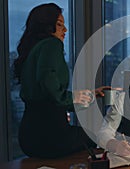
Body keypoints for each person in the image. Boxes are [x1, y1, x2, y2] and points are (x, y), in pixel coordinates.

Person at [14, 3, 106, 158]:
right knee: (100, 136)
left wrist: (90, 95)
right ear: (46, 26)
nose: (65, 30)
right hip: (51, 135)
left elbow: (49, 96)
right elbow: (51, 89)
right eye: (59, 25)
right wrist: (74, 97)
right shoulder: (52, 44)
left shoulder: (31, 51)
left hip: (29, 136)